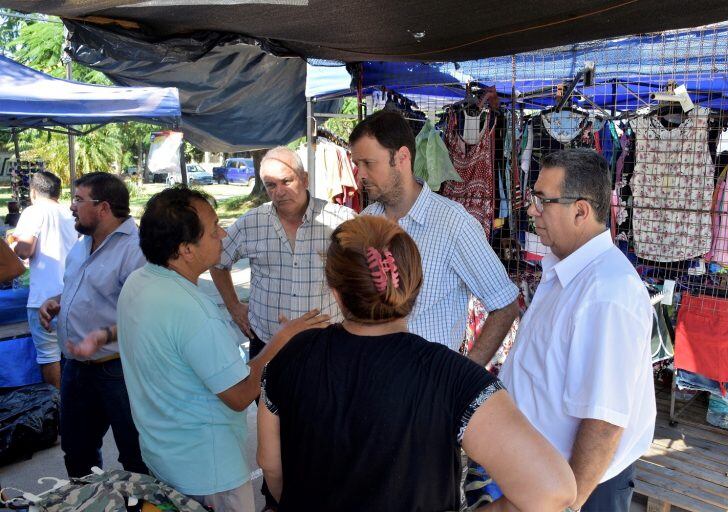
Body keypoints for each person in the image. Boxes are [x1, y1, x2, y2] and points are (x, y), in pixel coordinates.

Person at [257, 215, 575, 512]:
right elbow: (552, 490)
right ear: (415, 285)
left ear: (337, 293)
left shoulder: (292, 355)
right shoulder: (451, 377)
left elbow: (269, 463)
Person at [70, 187, 329, 512]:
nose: (223, 234)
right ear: (185, 250)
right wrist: (282, 340)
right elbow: (239, 395)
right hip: (210, 474)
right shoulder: (193, 310)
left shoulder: (139, 282)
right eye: (213, 229)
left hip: (164, 457)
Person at [499, 149, 655, 512]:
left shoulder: (607, 292)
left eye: (542, 200)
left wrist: (568, 506)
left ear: (580, 211)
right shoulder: (569, 268)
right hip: (547, 478)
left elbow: (604, 423)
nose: (531, 209)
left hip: (580, 489)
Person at [349, 111, 518, 364]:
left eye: (369, 163)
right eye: (357, 164)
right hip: (369, 376)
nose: (360, 174)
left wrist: (461, 377)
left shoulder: (454, 224)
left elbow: (505, 305)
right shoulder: (364, 221)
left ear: (402, 157)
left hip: (427, 388)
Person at [38, 172, 147, 478]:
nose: (71, 206)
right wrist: (57, 301)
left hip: (117, 370)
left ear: (103, 207)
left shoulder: (135, 250)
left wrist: (103, 336)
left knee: (136, 456)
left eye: (78, 199)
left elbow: (144, 316)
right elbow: (84, 287)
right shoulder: (82, 243)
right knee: (77, 452)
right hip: (75, 366)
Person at [211, 146, 355, 357]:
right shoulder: (251, 223)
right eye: (271, 185)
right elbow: (217, 261)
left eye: (287, 181)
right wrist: (233, 305)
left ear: (305, 179)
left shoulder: (340, 220)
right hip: (267, 345)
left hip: (325, 345)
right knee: (266, 391)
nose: (279, 192)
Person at [11, 171, 77, 388]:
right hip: (73, 293)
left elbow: (25, 250)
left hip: (44, 298)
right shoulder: (70, 212)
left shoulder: (33, 211)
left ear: (33, 192)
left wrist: (14, 245)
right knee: (74, 354)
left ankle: (57, 408)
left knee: (49, 357)